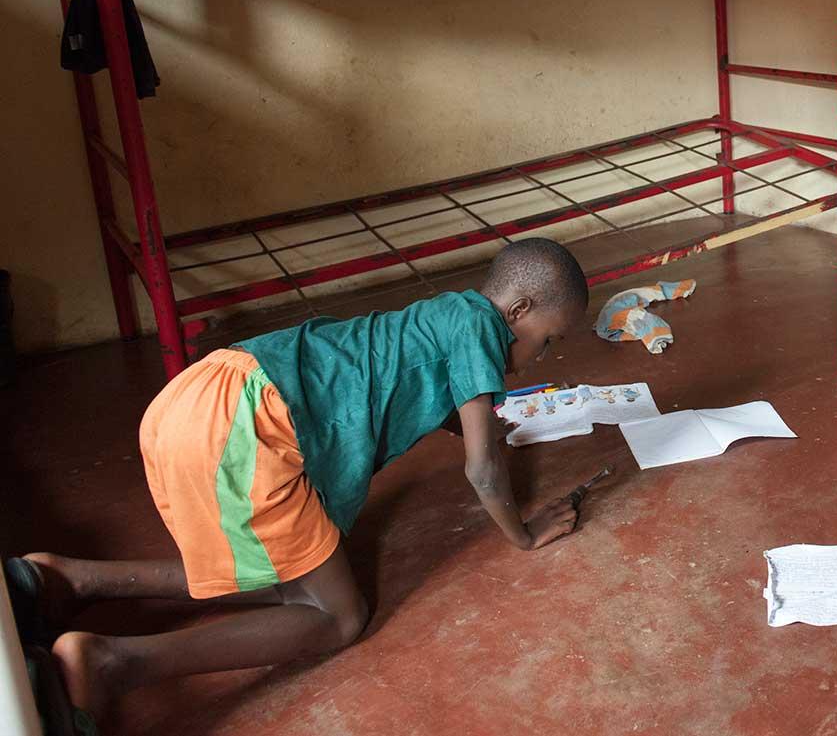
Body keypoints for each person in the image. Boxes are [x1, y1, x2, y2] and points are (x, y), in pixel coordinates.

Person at [10, 237, 591, 721]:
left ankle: (72, 580)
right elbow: (483, 471)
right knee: (338, 616)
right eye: (548, 339)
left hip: (205, 392)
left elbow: (409, 381)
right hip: (243, 429)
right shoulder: (483, 333)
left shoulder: (450, 311)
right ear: (517, 310)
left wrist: (467, 422)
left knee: (286, 579)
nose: (542, 354)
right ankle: (110, 664)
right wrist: (524, 533)